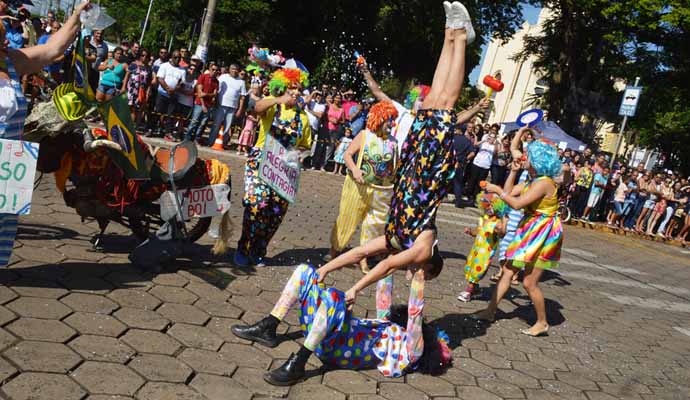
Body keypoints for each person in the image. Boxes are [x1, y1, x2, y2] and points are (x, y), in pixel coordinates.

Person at [230, 261, 450, 386]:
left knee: (336, 298)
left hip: (333, 349)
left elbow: (415, 313)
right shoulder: (385, 323)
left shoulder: (412, 351)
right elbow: (384, 289)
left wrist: (420, 279)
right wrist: (395, 257)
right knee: (305, 271)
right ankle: (269, 326)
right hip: (328, 332)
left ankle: (298, 363)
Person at [1, 0, 91, 267]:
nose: (7, 42)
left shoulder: (12, 62)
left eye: (5, 37)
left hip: (7, 165)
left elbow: (53, 48)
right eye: (1, 38)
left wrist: (76, 16)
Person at [472, 137, 563, 337]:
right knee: (507, 270)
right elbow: (509, 193)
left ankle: (542, 322)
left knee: (529, 282)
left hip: (543, 233)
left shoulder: (544, 183)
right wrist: (513, 172)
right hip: (530, 228)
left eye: (527, 155)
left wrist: (496, 190)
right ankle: (490, 311)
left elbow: (517, 204)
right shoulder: (532, 180)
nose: (524, 157)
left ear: (538, 159)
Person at [234, 67, 312, 267]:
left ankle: (258, 251)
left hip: (284, 170)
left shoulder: (303, 118)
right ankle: (243, 248)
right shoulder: (272, 105)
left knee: (275, 213)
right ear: (283, 88)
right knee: (256, 203)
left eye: (298, 89)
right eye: (291, 88)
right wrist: (278, 100)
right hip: (260, 161)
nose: (295, 92)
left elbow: (305, 147)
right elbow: (257, 108)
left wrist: (297, 157)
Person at [327, 101, 400, 273]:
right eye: (389, 119)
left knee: (374, 226)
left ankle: (364, 260)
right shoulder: (365, 135)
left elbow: (395, 166)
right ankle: (334, 252)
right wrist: (354, 169)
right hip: (358, 187)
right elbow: (347, 154)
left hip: (382, 191)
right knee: (347, 218)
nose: (392, 123)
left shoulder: (394, 142)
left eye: (393, 120)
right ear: (380, 118)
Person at [457, 192, 508, 302]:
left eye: (490, 205)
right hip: (476, 250)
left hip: (485, 253)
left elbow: (501, 233)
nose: (487, 208)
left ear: (497, 207)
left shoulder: (497, 223)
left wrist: (504, 221)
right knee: (470, 267)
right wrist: (471, 232)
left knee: (477, 270)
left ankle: (468, 291)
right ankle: (475, 289)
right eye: (485, 205)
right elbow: (478, 231)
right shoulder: (483, 218)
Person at [207, 63, 247, 147]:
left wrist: (240, 109)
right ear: (229, 69)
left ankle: (223, 143)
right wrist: (216, 101)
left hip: (233, 107)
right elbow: (217, 90)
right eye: (232, 69)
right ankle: (211, 142)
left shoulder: (241, 82)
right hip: (221, 104)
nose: (234, 71)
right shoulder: (223, 77)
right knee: (216, 124)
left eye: (236, 69)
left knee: (227, 126)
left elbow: (242, 97)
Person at [153, 50, 185, 137]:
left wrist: (174, 90)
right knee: (158, 112)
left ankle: (167, 132)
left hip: (173, 95)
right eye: (175, 57)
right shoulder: (164, 66)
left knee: (170, 115)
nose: (177, 59)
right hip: (162, 93)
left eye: (179, 58)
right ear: (171, 57)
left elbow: (182, 83)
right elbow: (160, 78)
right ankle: (151, 129)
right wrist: (167, 89)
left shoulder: (182, 70)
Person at [185, 62, 220, 142]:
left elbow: (214, 94)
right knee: (194, 121)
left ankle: (196, 138)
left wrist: (206, 94)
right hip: (199, 104)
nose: (214, 71)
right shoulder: (203, 77)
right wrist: (203, 105)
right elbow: (200, 93)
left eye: (216, 70)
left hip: (209, 105)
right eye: (213, 69)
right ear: (210, 69)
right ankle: (187, 138)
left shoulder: (216, 82)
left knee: (203, 123)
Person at [464, 131, 497, 200]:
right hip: (477, 163)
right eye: (490, 137)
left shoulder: (494, 146)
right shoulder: (483, 143)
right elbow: (475, 145)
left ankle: (475, 196)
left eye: (493, 137)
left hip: (486, 166)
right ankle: (468, 194)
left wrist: (495, 143)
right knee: (472, 179)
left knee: (480, 182)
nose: (491, 138)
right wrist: (484, 140)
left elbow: (496, 152)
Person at [126, 49, 152, 129]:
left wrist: (147, 93)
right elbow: (127, 75)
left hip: (141, 91)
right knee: (130, 108)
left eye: (146, 56)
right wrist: (123, 87)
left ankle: (134, 126)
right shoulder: (133, 64)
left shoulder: (148, 68)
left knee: (138, 109)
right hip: (132, 89)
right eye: (142, 55)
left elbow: (149, 82)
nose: (144, 57)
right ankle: (130, 125)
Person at [169, 64, 196, 141]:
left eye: (194, 69)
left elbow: (194, 92)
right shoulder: (183, 78)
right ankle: (171, 133)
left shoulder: (195, 81)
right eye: (191, 69)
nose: (192, 71)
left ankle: (179, 134)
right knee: (175, 117)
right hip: (179, 100)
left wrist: (185, 92)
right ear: (188, 69)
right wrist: (186, 92)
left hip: (188, 103)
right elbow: (178, 87)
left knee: (182, 120)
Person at [236, 84, 261, 155]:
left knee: (251, 134)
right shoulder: (248, 96)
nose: (256, 90)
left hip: (254, 117)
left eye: (257, 88)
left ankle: (247, 147)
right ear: (252, 89)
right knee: (243, 132)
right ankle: (240, 147)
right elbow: (243, 105)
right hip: (246, 116)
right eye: (254, 88)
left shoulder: (260, 98)